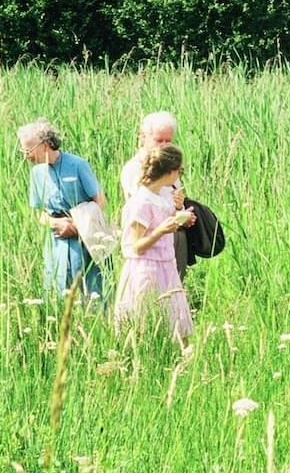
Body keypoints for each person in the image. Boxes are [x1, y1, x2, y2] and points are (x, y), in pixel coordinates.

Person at [18, 119, 107, 301]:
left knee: (88, 289)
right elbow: (39, 213)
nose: (26, 157)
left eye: (29, 151)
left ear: (44, 146)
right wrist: (56, 223)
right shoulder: (36, 173)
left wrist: (76, 224)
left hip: (84, 238)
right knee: (57, 289)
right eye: (23, 151)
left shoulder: (78, 165)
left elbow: (100, 201)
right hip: (56, 240)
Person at [116, 144, 195, 342]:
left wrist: (180, 214)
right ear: (170, 172)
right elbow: (135, 246)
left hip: (167, 266)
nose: (179, 176)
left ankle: (182, 363)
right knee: (146, 324)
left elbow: (165, 221)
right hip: (147, 270)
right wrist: (162, 230)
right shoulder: (141, 201)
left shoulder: (162, 195)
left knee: (177, 325)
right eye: (179, 171)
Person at [121, 112, 190, 277]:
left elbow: (172, 205)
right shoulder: (134, 169)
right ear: (143, 137)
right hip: (148, 249)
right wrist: (165, 226)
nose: (164, 146)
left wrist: (181, 210)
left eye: (168, 141)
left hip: (171, 241)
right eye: (159, 140)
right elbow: (142, 211)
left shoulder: (171, 167)